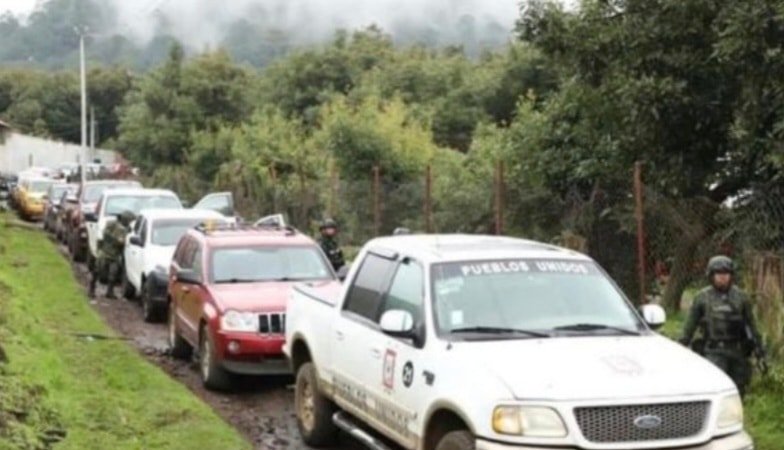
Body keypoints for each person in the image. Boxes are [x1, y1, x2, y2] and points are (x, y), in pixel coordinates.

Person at [679, 255, 766, 397]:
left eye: (726, 274)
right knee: (716, 387)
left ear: (731, 275)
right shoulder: (702, 297)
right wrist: (682, 345)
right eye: (718, 274)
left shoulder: (741, 297)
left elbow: (752, 324)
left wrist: (760, 349)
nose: (722, 278)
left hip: (737, 351)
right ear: (711, 275)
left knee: (739, 388)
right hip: (714, 351)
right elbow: (690, 326)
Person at [89, 210, 135, 299]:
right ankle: (91, 289)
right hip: (105, 252)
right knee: (97, 271)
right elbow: (106, 235)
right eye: (128, 220)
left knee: (112, 275)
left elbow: (123, 242)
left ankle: (110, 292)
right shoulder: (111, 224)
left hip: (115, 255)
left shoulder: (126, 229)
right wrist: (117, 240)